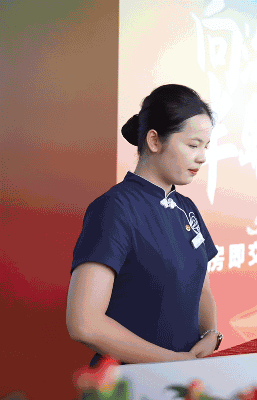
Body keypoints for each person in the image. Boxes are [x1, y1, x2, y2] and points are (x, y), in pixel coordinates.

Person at [66, 84, 221, 366]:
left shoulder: (187, 208)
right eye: (193, 145)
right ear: (154, 140)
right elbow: (84, 323)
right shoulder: (114, 208)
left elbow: (201, 287)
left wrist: (210, 333)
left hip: (184, 377)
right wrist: (173, 361)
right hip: (130, 381)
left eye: (206, 146)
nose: (202, 157)